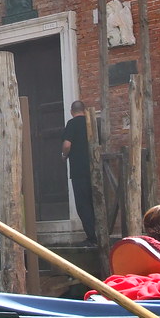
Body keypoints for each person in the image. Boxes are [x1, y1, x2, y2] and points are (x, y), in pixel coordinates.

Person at [61, 99, 97, 245]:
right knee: (95, 201)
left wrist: (64, 155)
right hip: (95, 169)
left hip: (79, 170)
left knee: (83, 204)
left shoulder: (72, 124)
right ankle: (99, 234)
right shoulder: (92, 123)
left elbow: (67, 144)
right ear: (85, 110)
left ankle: (91, 237)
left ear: (71, 111)